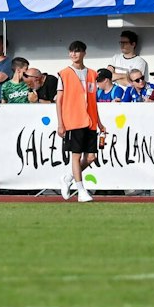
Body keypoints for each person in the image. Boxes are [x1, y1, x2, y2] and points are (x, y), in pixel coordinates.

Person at [56, 41, 100, 203]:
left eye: (77, 51)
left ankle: (68, 178)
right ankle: (81, 190)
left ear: (84, 53)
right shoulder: (64, 74)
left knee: (91, 158)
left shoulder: (91, 74)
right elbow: (59, 101)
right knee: (76, 156)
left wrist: (100, 123)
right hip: (73, 121)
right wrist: (61, 123)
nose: (74, 54)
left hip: (90, 121)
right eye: (71, 51)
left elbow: (93, 101)